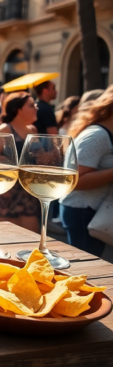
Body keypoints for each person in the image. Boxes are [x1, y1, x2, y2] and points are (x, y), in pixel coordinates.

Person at [60, 85, 113, 256]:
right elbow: (74, 180)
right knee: (85, 268)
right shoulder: (97, 135)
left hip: (92, 210)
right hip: (82, 211)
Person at [0, 92, 41, 232]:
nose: (36, 108)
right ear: (17, 109)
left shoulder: (33, 130)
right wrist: (17, 164)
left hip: (28, 190)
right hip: (9, 189)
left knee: (32, 235)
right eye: (31, 105)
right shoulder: (4, 129)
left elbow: (41, 157)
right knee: (10, 234)